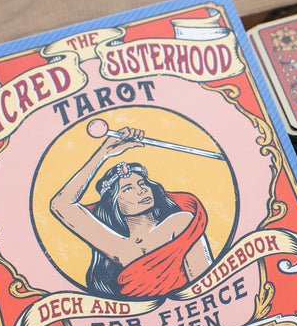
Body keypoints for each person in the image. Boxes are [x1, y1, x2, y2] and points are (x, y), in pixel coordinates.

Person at [50, 126, 213, 298]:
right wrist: (103, 153)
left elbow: (204, 285)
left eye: (142, 184)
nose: (141, 190)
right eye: (128, 188)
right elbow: (60, 205)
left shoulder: (180, 223)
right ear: (113, 202)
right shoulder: (120, 247)